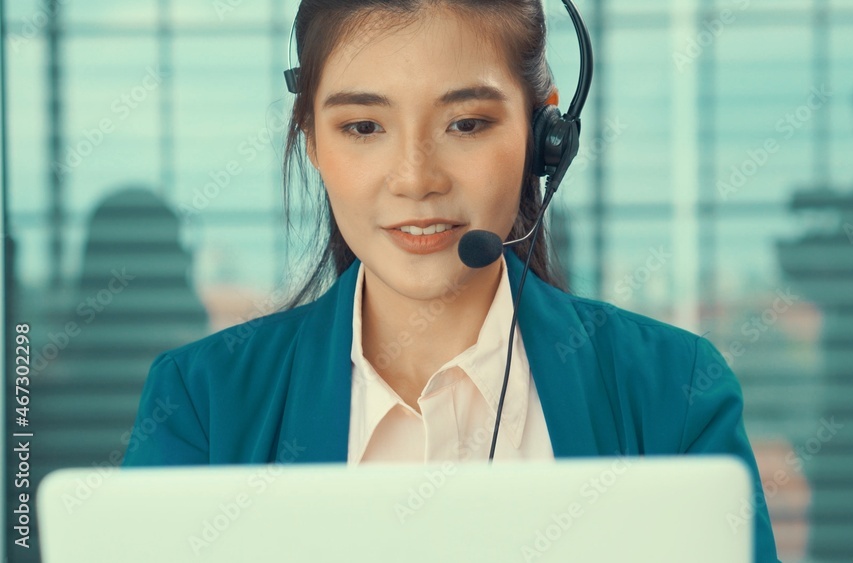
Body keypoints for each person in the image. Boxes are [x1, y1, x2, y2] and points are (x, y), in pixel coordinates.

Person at [121, 0, 778, 559]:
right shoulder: (202, 405)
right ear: (314, 141)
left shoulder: (673, 394)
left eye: (466, 123)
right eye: (363, 126)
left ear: (546, 134)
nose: (415, 177)